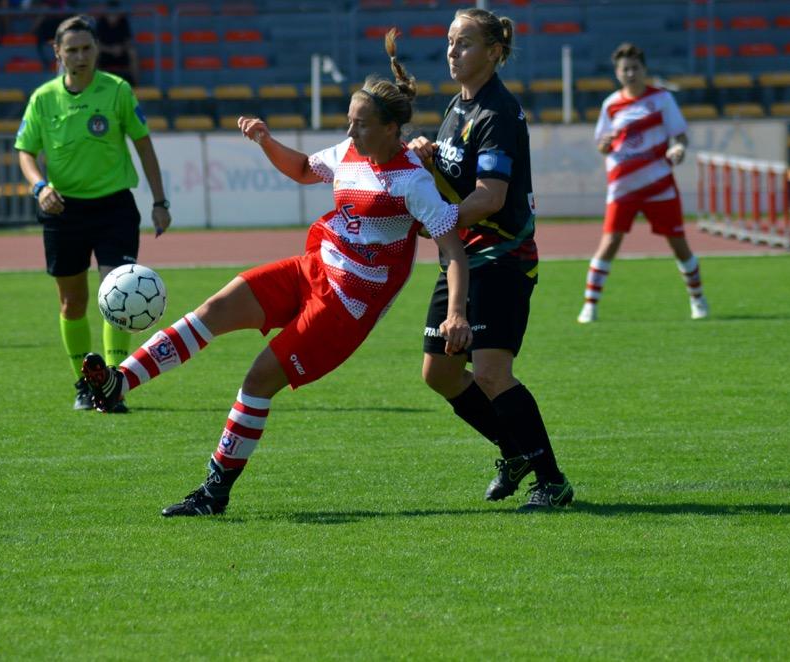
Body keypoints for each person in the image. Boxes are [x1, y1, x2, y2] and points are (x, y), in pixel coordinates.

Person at [81, 30, 472, 517]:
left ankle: (214, 492)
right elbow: (305, 168)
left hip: (346, 305)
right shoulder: (351, 153)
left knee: (257, 381)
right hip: (314, 268)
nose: (350, 133)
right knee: (215, 308)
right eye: (349, 122)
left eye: (361, 125)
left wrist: (456, 313)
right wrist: (266, 141)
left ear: (392, 129)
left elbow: (453, 251)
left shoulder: (412, 181)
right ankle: (118, 383)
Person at [408, 8, 573, 511]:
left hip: (502, 257)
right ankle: (514, 451)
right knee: (438, 373)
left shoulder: (497, 112)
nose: (452, 52)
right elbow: (457, 181)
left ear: (494, 52)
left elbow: (490, 196)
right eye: (450, 42)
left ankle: (552, 481)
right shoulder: (459, 107)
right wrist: (429, 159)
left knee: (491, 373)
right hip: (463, 256)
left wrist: (441, 219)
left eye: (464, 43)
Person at [15, 15, 172, 412]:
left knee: (117, 295)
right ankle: (84, 385)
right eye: (72, 50)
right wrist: (40, 187)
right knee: (72, 303)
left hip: (114, 208)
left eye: (87, 48)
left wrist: (159, 201)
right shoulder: (43, 98)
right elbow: (25, 152)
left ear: (97, 49)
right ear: (57, 52)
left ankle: (113, 383)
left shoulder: (117, 90)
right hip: (63, 210)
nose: (80, 56)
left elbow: (144, 145)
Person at [578, 42, 707, 323]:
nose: (630, 73)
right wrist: (604, 144)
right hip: (623, 186)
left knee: (678, 243)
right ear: (617, 73)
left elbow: (680, 135)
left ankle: (697, 300)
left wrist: (679, 148)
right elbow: (602, 145)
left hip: (659, 183)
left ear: (644, 69)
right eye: (625, 69)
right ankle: (590, 306)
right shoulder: (611, 105)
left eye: (635, 67)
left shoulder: (662, 99)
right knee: (610, 242)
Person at [95, 3, 139, 86]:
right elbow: (96, 44)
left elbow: (129, 42)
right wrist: (110, 50)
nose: (113, 16)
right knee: (95, 54)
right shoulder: (101, 22)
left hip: (121, 54)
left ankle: (135, 85)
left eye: (115, 13)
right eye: (111, 14)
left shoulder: (123, 21)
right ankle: (95, 84)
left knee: (132, 52)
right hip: (105, 54)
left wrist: (121, 48)